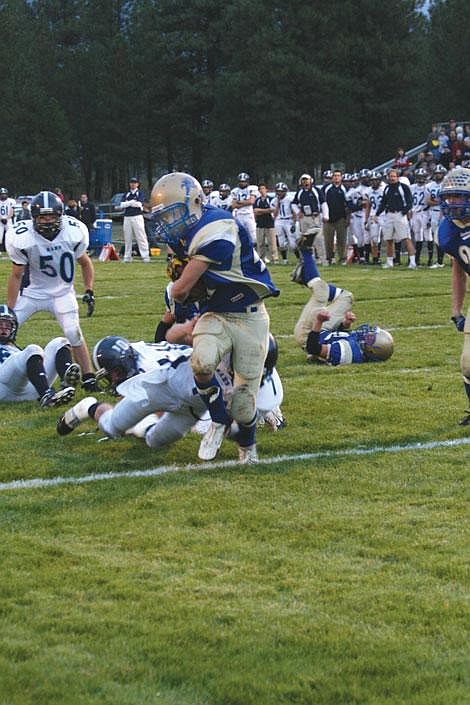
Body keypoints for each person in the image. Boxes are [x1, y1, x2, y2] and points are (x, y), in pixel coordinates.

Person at [150, 172, 280, 463]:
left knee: (244, 404)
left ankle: (247, 445)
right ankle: (219, 419)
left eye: (173, 215)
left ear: (195, 204)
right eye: (164, 217)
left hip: (249, 316)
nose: (168, 224)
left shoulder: (216, 229)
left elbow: (182, 290)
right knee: (202, 362)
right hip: (217, 313)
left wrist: (179, 284)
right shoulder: (190, 230)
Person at [57, 335, 285, 445]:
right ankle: (89, 407)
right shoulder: (210, 361)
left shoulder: (263, 378)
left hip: (192, 408)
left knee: (153, 441)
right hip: (163, 388)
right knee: (114, 426)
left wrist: (248, 423)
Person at [5, 190, 97, 392]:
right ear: (34, 218)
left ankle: (89, 377)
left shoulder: (74, 231)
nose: (47, 221)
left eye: (52, 216)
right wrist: (9, 310)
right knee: (4, 328)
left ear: (60, 216)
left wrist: (89, 290)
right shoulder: (22, 236)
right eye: (42, 217)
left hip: (62, 293)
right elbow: (16, 275)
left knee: (74, 333)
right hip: (31, 293)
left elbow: (85, 263)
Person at [291, 250, 393, 365]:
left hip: (308, 334)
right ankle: (307, 277)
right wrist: (345, 324)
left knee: (321, 293)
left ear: (371, 350)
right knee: (346, 297)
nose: (367, 334)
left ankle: (306, 252)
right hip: (325, 330)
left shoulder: (348, 352)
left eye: (370, 338)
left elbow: (313, 348)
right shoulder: (360, 347)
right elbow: (338, 336)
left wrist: (319, 321)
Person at [437, 167, 470, 425]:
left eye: (458, 197)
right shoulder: (447, 231)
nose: (452, 203)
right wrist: (456, 310)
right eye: (449, 197)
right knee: (468, 362)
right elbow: (458, 270)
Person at [0, 304, 78, 406]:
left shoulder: (16, 349)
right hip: (3, 389)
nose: (4, 329)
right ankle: (47, 395)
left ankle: (66, 384)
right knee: (33, 349)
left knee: (60, 342)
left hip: (30, 390)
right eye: (0, 325)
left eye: (8, 325)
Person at [376, 169, 416, 269]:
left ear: (398, 177)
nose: (392, 178)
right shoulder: (386, 188)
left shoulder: (404, 187)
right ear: (388, 177)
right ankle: (390, 262)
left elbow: (410, 202)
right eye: (390, 176)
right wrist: (377, 214)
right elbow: (383, 203)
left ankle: (412, 261)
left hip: (400, 215)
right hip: (389, 214)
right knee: (389, 239)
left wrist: (403, 212)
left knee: (406, 238)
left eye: (394, 176)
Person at [292, 174, 328, 263]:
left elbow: (323, 203)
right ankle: (309, 260)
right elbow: (293, 203)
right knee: (306, 239)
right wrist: (298, 212)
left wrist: (326, 215)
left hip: (315, 217)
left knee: (319, 239)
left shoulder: (316, 191)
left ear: (311, 181)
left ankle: (322, 259)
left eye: (307, 180)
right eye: (303, 180)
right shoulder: (300, 192)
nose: (305, 182)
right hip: (305, 218)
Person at [322, 170, 349, 265]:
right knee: (328, 240)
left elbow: (347, 204)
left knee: (342, 240)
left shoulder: (345, 189)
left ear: (341, 177)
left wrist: (347, 218)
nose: (336, 177)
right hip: (329, 218)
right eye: (335, 176)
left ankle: (342, 258)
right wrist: (324, 215)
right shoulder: (326, 188)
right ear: (332, 178)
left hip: (341, 218)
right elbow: (322, 203)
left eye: (338, 176)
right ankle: (329, 258)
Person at [120, 176, 150, 262]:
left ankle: (145, 256)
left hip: (137, 217)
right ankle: (127, 257)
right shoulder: (127, 193)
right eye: (132, 183)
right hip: (127, 217)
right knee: (127, 237)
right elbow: (122, 205)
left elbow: (139, 204)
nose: (133, 184)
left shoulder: (140, 193)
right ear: (130, 184)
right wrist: (132, 202)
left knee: (141, 236)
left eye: (135, 183)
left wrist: (128, 203)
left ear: (137, 184)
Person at [410, 168, 433, 266]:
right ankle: (417, 259)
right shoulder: (411, 187)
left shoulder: (428, 187)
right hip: (414, 213)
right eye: (419, 177)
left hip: (425, 212)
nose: (421, 179)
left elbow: (430, 201)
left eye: (422, 177)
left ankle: (430, 260)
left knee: (428, 235)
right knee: (417, 236)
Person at [425, 164, 447, 268]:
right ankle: (439, 261)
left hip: (446, 212)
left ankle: (443, 261)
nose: (438, 175)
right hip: (434, 212)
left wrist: (440, 202)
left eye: (440, 173)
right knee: (437, 237)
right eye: (437, 173)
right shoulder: (430, 185)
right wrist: (440, 202)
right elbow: (428, 201)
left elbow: (448, 200)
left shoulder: (448, 184)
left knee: (445, 236)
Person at [230, 172, 259, 245]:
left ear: (247, 181)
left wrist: (239, 202)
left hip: (248, 214)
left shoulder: (252, 188)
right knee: (240, 235)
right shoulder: (235, 191)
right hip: (239, 215)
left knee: (254, 237)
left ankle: (255, 253)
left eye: (244, 181)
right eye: (241, 181)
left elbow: (251, 201)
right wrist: (245, 202)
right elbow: (233, 205)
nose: (242, 183)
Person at [271, 182, 296, 264]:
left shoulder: (290, 199)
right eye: (278, 191)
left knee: (293, 243)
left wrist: (294, 223)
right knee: (281, 243)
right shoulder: (274, 200)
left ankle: (299, 258)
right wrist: (278, 202)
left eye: (282, 191)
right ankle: (285, 260)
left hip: (289, 220)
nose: (280, 193)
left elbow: (294, 211)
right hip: (279, 220)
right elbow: (274, 214)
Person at [254, 183, 278, 264]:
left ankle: (274, 259)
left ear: (266, 189)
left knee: (272, 243)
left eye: (263, 188)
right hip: (260, 224)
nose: (262, 190)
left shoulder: (271, 199)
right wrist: (266, 210)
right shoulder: (257, 200)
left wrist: (261, 211)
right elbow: (255, 211)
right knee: (260, 243)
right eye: (260, 189)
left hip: (269, 224)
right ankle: (261, 259)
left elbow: (273, 209)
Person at [0, 187, 16, 251]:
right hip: (0, 220)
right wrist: (1, 219)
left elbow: (12, 211)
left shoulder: (11, 201)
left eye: (5, 194)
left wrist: (7, 218)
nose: (3, 195)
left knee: (10, 235)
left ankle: (12, 249)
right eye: (2, 194)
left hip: (8, 220)